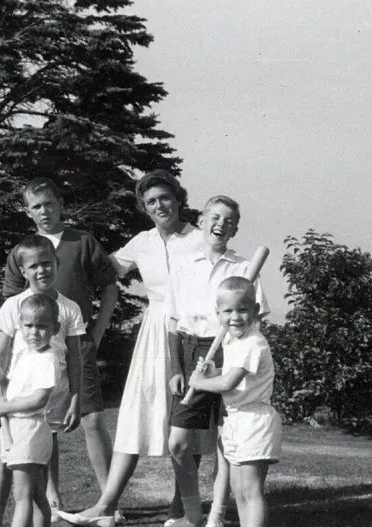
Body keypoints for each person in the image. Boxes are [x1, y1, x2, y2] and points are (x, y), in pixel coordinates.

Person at [57, 170, 206, 527]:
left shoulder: (200, 239)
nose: (159, 206)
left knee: (186, 418)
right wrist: (51, 264)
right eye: (151, 201)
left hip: (193, 331)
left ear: (178, 198)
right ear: (144, 207)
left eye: (164, 198)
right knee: (134, 416)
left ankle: (179, 508)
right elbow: (100, 268)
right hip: (155, 333)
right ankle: (106, 505)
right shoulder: (141, 241)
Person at [2, 178, 119, 518]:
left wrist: (95, 333)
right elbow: (12, 303)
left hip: (76, 341)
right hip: (37, 349)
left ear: (60, 203)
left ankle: (108, 502)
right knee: (42, 422)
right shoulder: (22, 251)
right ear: (28, 211)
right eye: (36, 206)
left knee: (93, 419)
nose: (44, 211)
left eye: (49, 204)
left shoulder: (82, 242)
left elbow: (109, 287)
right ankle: (52, 498)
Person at [165, 195, 269, 527]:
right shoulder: (184, 265)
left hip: (231, 353)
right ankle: (192, 517)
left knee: (227, 441)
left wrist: (234, 361)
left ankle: (216, 518)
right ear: (202, 220)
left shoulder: (242, 268)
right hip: (192, 352)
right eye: (214, 216)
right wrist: (175, 369)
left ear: (235, 229)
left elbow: (255, 320)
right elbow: (172, 322)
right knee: (178, 443)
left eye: (228, 220)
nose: (220, 224)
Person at [0, 235, 86, 527]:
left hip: (45, 401)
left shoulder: (69, 309)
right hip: (13, 398)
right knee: (4, 464)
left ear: (57, 263)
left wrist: (76, 399)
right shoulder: (12, 306)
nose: (41, 270)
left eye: (47, 263)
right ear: (23, 271)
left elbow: (76, 359)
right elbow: (0, 354)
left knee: (32, 478)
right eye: (33, 266)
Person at [188, 277, 282, 527]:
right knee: (238, 489)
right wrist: (212, 373)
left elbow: (228, 384)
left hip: (254, 420)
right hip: (237, 419)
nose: (236, 317)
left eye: (243, 310)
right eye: (228, 311)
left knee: (250, 491)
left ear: (255, 311)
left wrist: (199, 383)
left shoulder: (253, 342)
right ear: (217, 313)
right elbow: (229, 375)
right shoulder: (235, 341)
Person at [0, 294, 62, 527]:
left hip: (29, 429)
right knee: (37, 494)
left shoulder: (48, 359)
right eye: (28, 325)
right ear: (19, 325)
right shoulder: (26, 356)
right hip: (17, 428)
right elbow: (16, 390)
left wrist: (3, 407)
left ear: (55, 328)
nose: (34, 332)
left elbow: (39, 399)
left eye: (42, 326)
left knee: (22, 496)